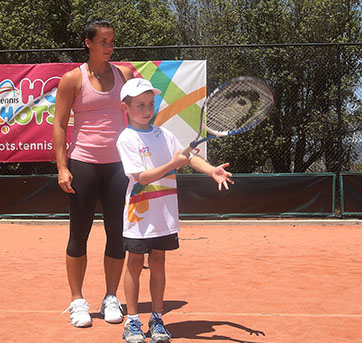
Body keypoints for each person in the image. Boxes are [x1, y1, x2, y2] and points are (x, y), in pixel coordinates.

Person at [116, 78, 233, 343]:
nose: (147, 110)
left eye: (150, 104)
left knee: (158, 262)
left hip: (164, 215)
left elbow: (188, 157)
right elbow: (142, 177)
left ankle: (157, 319)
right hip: (139, 215)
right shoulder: (126, 138)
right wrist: (172, 164)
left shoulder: (164, 134)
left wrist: (211, 170)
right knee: (134, 263)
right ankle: (132, 322)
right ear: (126, 107)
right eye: (140, 105)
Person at [53, 18, 133, 328]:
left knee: (117, 234)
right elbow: (59, 125)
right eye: (103, 41)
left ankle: (111, 297)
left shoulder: (124, 75)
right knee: (79, 235)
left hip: (118, 167)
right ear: (88, 43)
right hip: (83, 164)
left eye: (112, 42)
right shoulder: (72, 80)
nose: (109, 47)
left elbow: (141, 111)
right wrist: (62, 167)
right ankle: (77, 300)